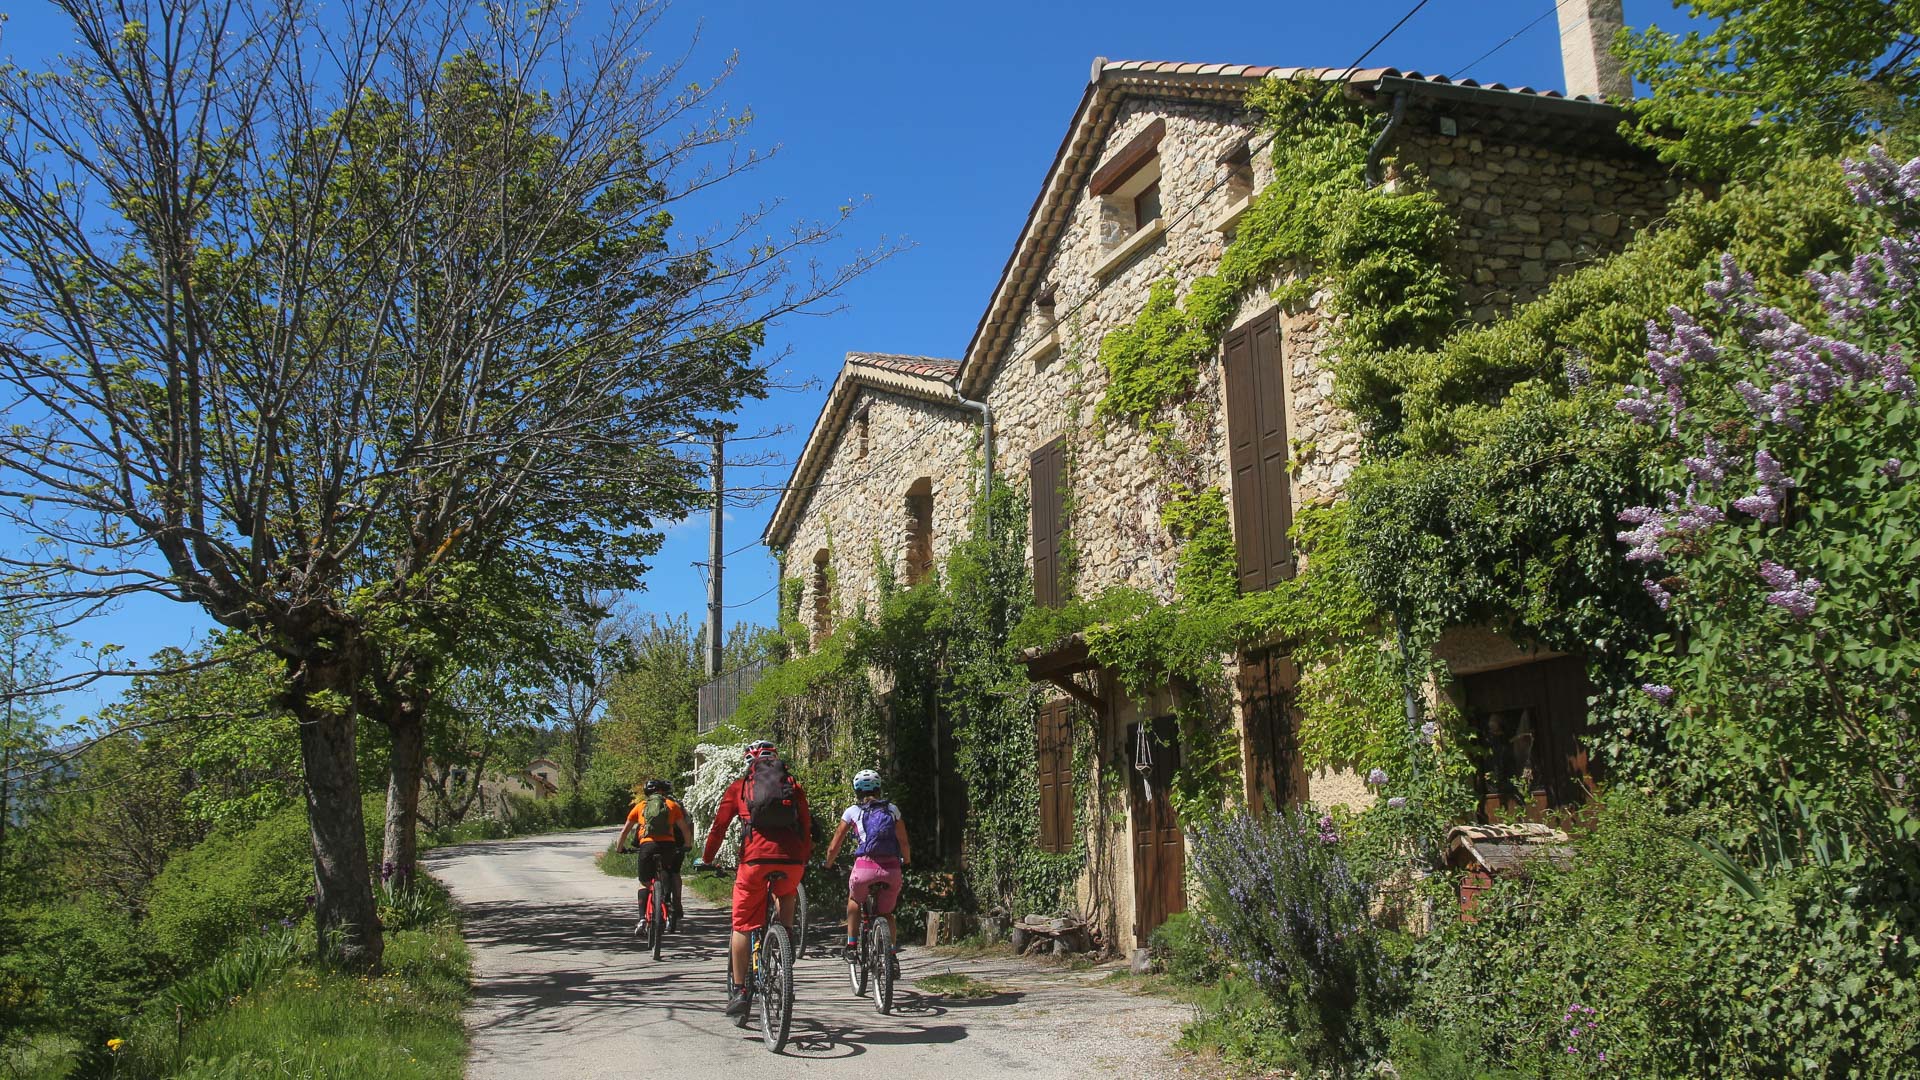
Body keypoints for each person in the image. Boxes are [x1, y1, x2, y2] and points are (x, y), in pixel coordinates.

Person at [699, 741, 812, 1018]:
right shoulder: (793, 786)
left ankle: (740, 990)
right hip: (792, 861)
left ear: (750, 763)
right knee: (785, 894)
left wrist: (707, 858)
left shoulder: (739, 787)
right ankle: (784, 954)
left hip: (754, 862)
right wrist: (804, 857)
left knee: (742, 926)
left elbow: (719, 827)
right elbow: (807, 824)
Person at [823, 768, 910, 965]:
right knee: (887, 914)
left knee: (854, 900)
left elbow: (835, 843)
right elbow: (904, 842)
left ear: (856, 791)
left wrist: (828, 864)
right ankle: (892, 957)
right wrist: (907, 862)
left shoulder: (852, 811)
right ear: (879, 789)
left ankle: (852, 946)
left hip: (864, 869)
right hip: (892, 870)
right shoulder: (892, 810)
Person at [616, 778, 693, 932]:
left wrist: (619, 848)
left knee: (644, 883)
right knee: (669, 872)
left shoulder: (640, 807)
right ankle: (668, 902)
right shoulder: (672, 806)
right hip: (668, 846)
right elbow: (685, 829)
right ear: (664, 792)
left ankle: (642, 918)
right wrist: (687, 845)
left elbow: (625, 831)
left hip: (648, 846)